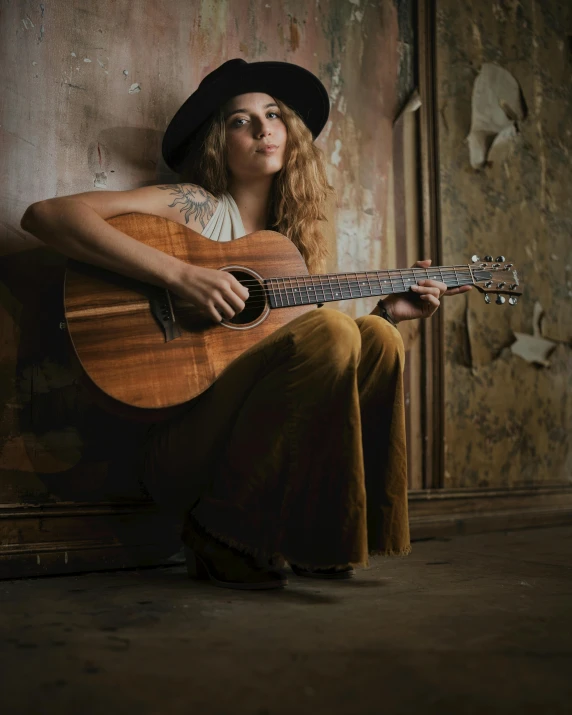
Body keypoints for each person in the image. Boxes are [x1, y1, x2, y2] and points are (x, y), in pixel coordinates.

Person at [20, 59, 471, 591]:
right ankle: (220, 532)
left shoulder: (289, 249)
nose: (263, 129)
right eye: (241, 120)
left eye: (274, 114)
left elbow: (314, 374)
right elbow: (46, 215)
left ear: (291, 133)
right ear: (218, 142)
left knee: (370, 335)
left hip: (255, 442)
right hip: (180, 453)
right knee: (332, 328)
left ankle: (320, 537)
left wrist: (390, 313)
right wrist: (183, 277)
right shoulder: (195, 208)